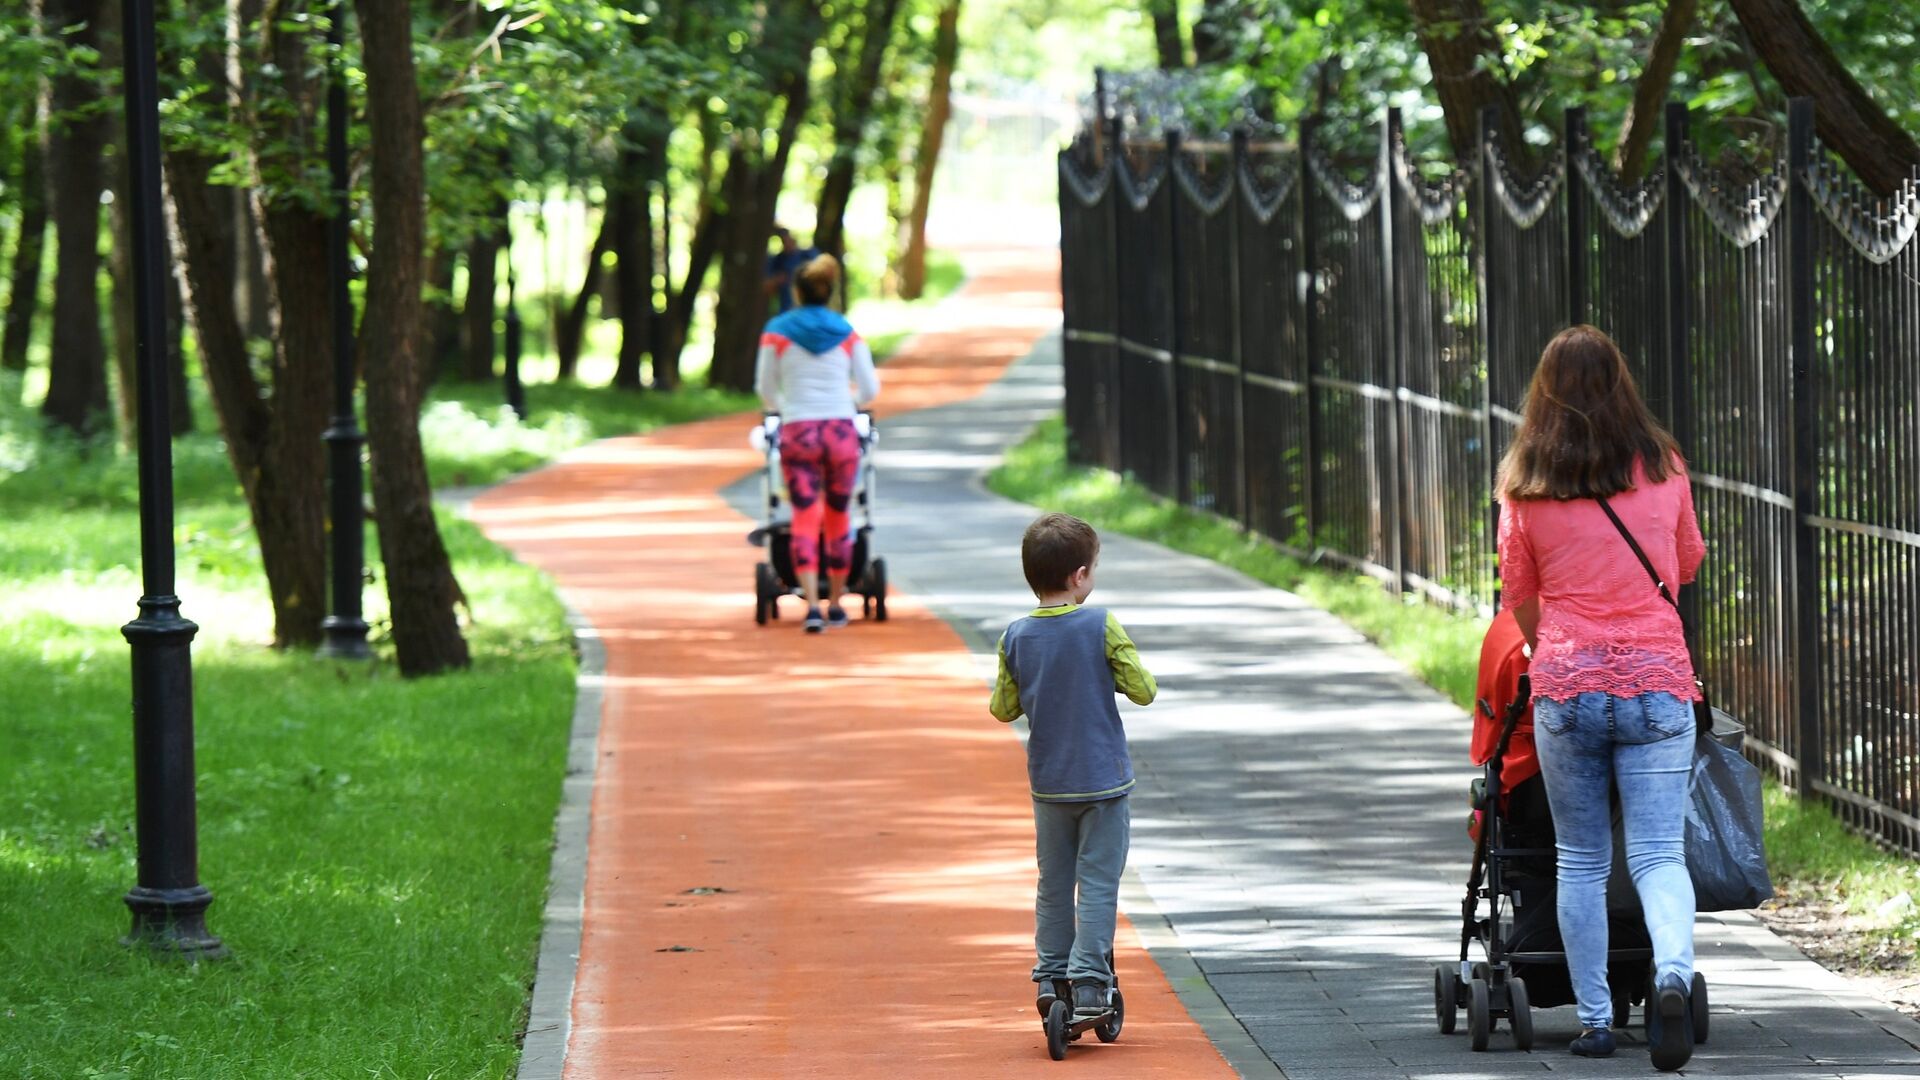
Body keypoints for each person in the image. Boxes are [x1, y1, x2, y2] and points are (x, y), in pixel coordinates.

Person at [1496, 325, 1706, 1071]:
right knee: (1656, 854)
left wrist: (1555, 643)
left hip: (1566, 685)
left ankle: (1593, 1022)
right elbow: (1683, 566)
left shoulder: (1524, 481)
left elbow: (1519, 598)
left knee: (1579, 860)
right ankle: (1672, 975)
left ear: (1543, 393)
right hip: (1656, 682)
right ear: (1621, 382)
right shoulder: (1665, 465)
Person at [989, 513, 1157, 1022]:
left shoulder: (1015, 636)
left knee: (1055, 884)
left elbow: (1003, 708)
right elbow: (1143, 691)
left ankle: (1050, 975)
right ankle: (1088, 981)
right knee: (1100, 883)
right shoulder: (1100, 624)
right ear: (1079, 575)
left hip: (1050, 784)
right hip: (1104, 782)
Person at [755, 254, 878, 632]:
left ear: (796, 291)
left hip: (799, 433)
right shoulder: (846, 331)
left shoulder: (776, 331)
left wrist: (784, 407)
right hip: (841, 432)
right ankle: (838, 604)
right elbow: (870, 389)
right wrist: (847, 405)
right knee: (840, 515)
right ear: (829, 293)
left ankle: (810, 607)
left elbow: (764, 389)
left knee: (804, 516)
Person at [763, 225, 820, 314]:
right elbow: (767, 287)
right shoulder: (778, 260)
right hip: (786, 308)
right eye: (783, 240)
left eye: (788, 239)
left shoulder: (807, 255)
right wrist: (777, 280)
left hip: (808, 308)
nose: (787, 243)